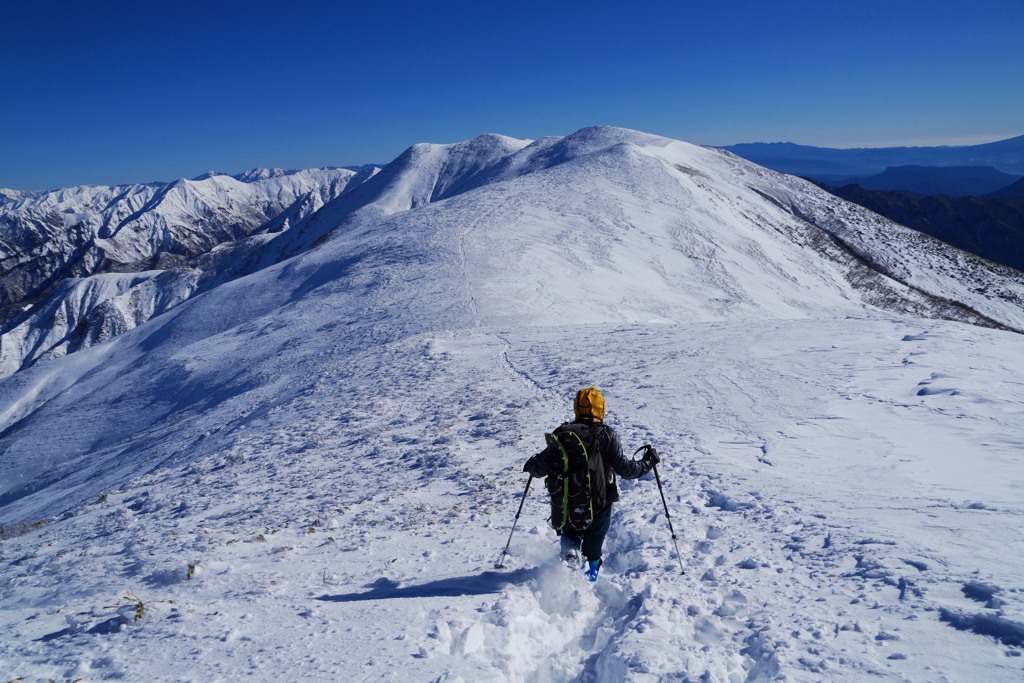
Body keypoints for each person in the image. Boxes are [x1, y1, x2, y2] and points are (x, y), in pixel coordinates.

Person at [523, 386, 659, 581]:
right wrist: (648, 462)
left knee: (570, 533)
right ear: (600, 409)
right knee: (593, 546)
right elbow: (626, 470)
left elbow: (538, 469)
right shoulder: (606, 435)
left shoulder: (562, 434)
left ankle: (570, 555)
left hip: (566, 502)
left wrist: (531, 465)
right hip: (598, 505)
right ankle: (590, 577)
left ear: (576, 408)